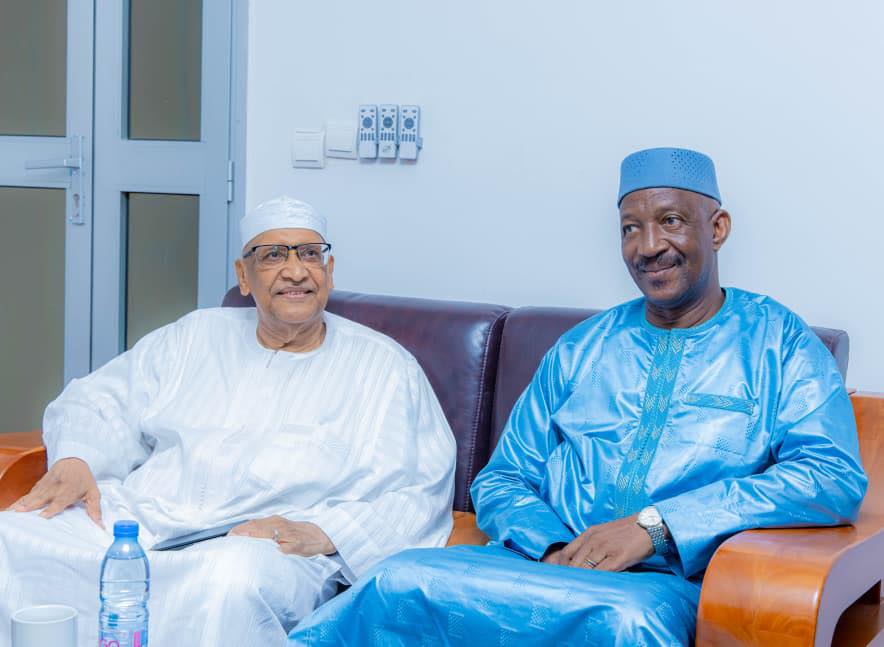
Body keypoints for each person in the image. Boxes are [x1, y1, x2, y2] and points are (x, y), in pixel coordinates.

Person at [287, 148, 867, 646]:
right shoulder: (583, 347)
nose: (648, 246)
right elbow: (502, 477)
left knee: (625, 622)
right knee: (398, 579)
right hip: (538, 561)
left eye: (670, 221)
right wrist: (553, 543)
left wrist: (656, 527)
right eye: (630, 229)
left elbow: (830, 475)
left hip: (664, 583)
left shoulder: (779, 342)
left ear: (716, 228)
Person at [0, 197, 456, 646]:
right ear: (243, 276)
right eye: (273, 255)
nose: (295, 271)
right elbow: (99, 400)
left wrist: (328, 533)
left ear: (328, 271)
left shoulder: (383, 367)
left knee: (228, 583)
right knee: (9, 537)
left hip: (263, 547)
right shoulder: (193, 336)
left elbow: (420, 489)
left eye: (309, 254)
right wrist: (77, 458)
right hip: (142, 519)